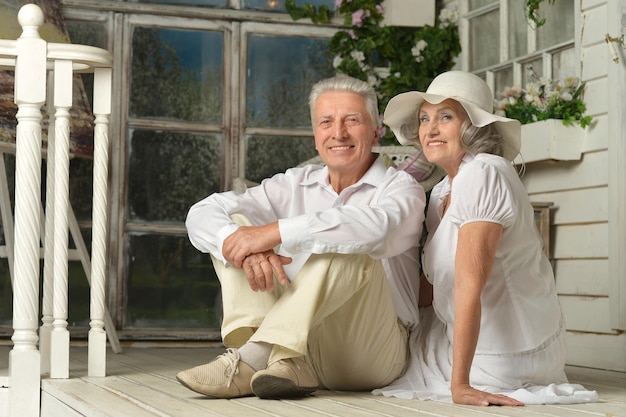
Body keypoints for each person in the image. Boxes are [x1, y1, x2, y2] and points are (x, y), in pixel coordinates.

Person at [177, 74, 427, 400]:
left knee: (348, 240)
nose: (338, 133)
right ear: (315, 134)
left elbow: (377, 228)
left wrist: (274, 232)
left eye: (352, 120)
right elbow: (202, 212)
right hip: (299, 350)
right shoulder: (296, 182)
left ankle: (253, 357)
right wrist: (244, 244)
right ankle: (278, 357)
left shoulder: (400, 188)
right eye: (326, 122)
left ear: (374, 130)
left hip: (370, 351)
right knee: (234, 227)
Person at [374, 71, 598, 406]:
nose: (430, 129)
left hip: (505, 356)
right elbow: (435, 285)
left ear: (473, 126)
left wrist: (460, 386)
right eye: (424, 118)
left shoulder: (483, 173)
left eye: (445, 117)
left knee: (379, 356)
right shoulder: (443, 191)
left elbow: (468, 284)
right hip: (489, 343)